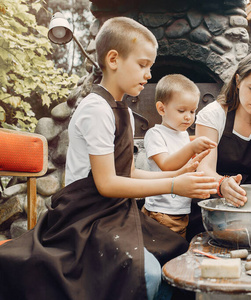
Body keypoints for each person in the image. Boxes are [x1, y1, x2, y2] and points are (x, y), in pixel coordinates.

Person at [0, 17, 218, 300]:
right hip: (85, 216)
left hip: (115, 211)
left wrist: (177, 175)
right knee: (147, 274)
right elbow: (106, 184)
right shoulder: (96, 109)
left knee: (177, 252)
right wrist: (175, 186)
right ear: (113, 59)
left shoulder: (123, 110)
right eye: (143, 65)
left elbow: (127, 173)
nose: (149, 74)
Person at [186, 51, 251, 240]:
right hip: (215, 200)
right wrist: (222, 184)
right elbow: (204, 168)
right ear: (238, 81)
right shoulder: (213, 115)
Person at [142, 74, 217, 238]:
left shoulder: (182, 134)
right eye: (181, 111)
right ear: (162, 109)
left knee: (177, 248)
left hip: (181, 210)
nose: (188, 116)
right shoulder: (155, 135)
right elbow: (166, 165)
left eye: (192, 111)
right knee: (165, 250)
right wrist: (191, 147)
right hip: (161, 212)